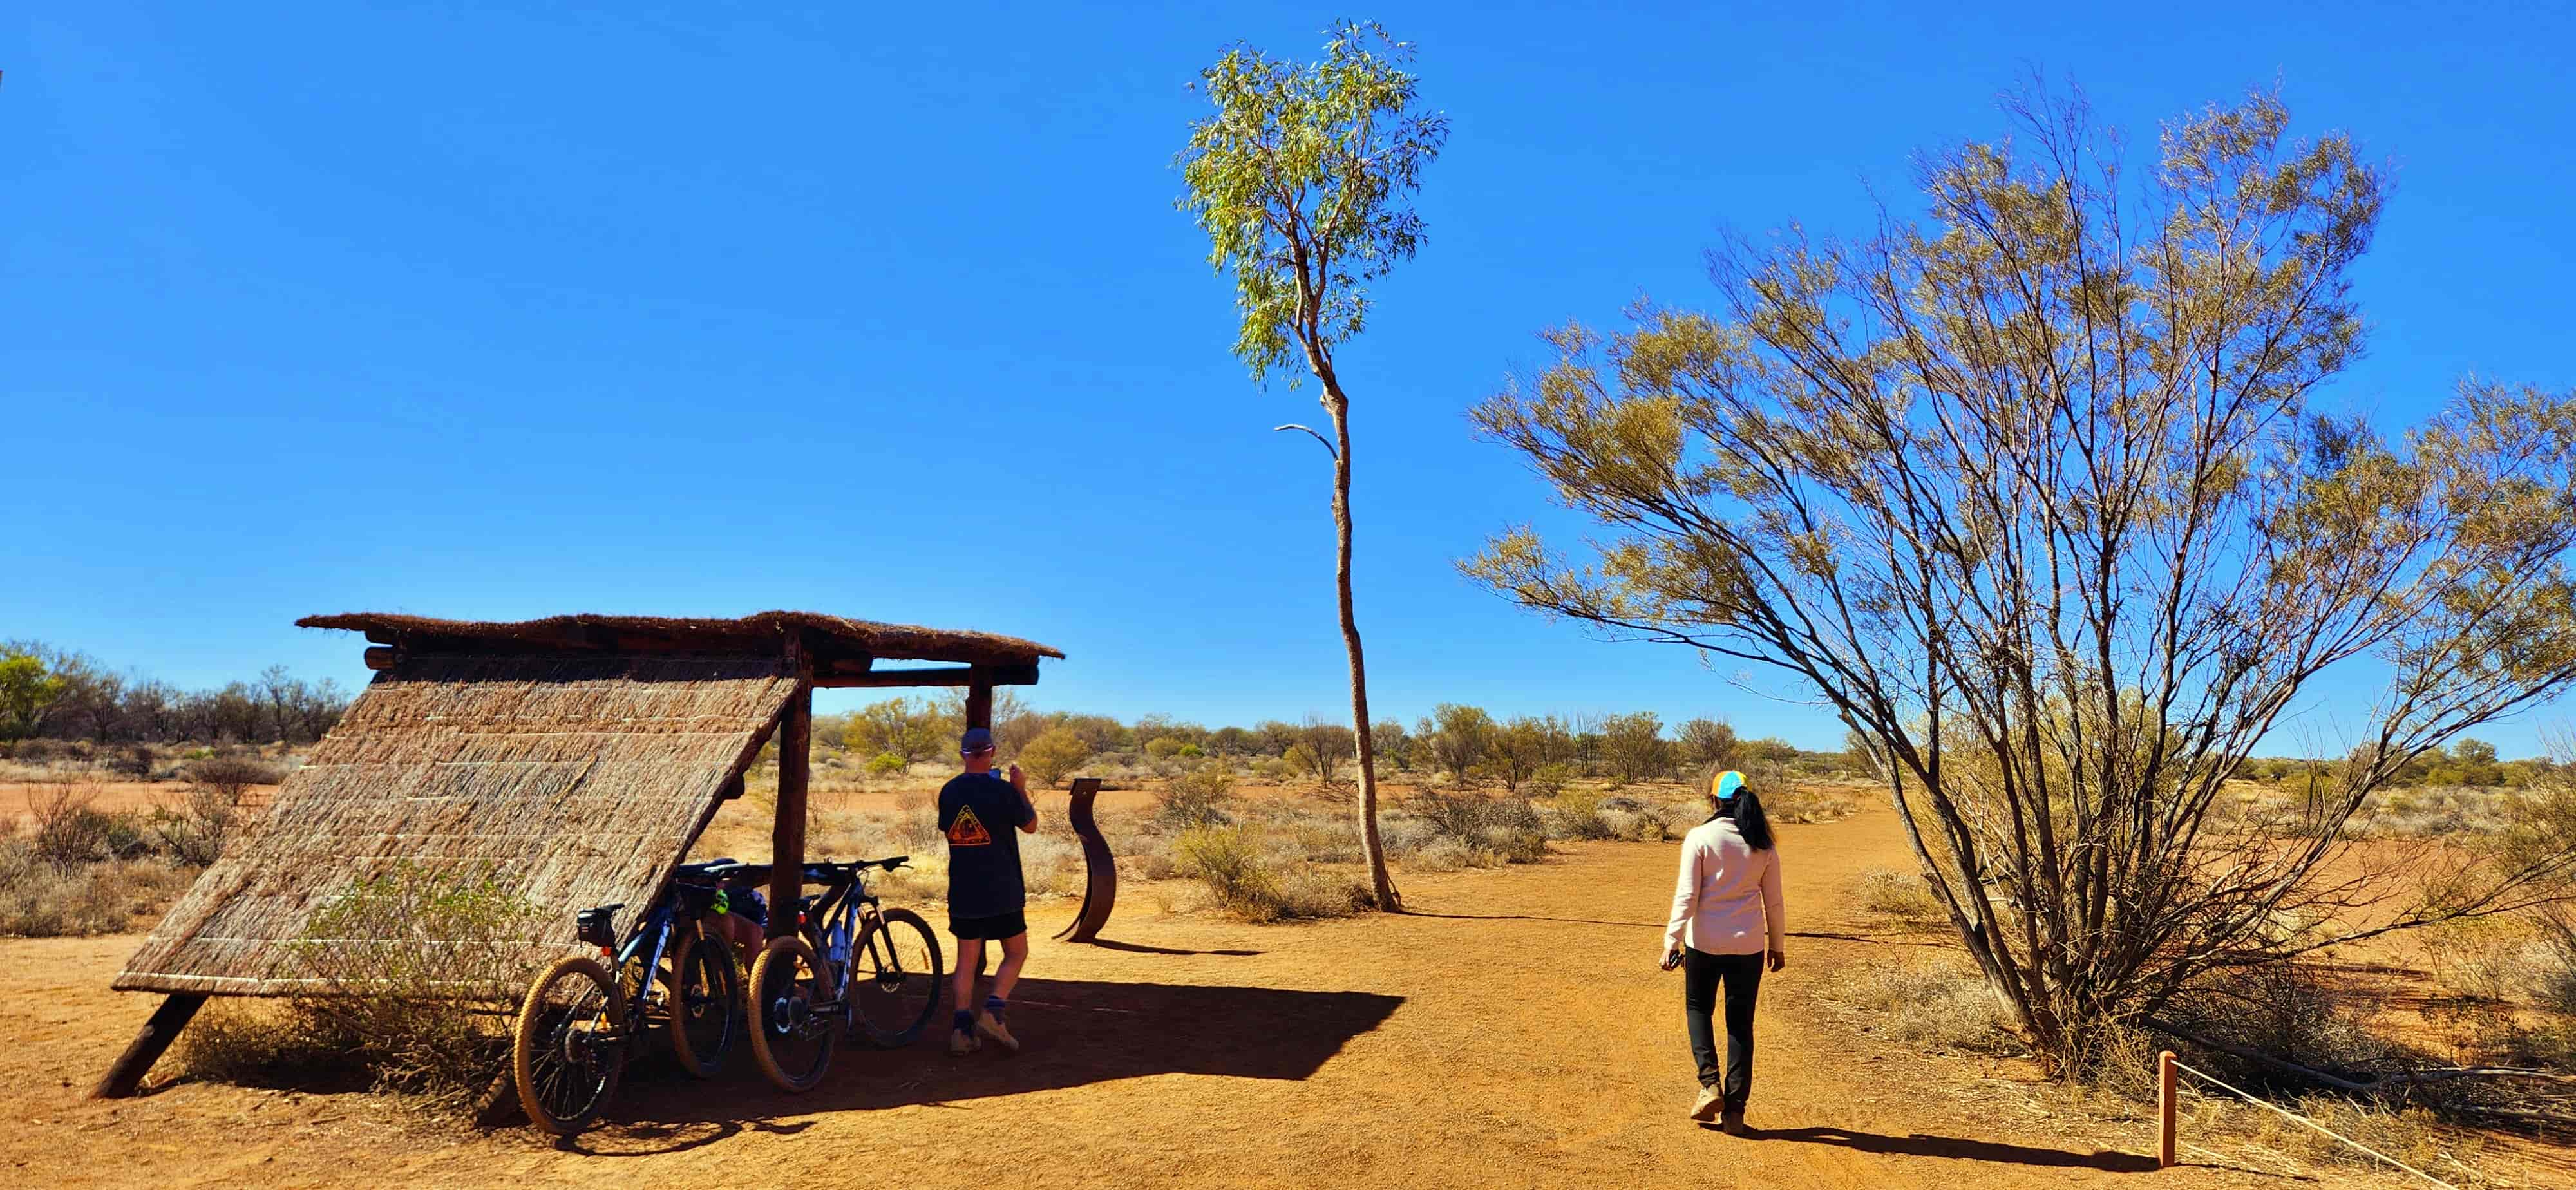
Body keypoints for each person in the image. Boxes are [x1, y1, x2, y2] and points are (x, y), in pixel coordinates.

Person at [1661, 768, 1785, 1135]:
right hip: (1748, 946)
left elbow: (1687, 895)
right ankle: (1735, 1112)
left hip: (1705, 943)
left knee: (1698, 1008)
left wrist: (1672, 939)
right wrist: (1777, 945)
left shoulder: (1700, 837)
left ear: (1714, 800)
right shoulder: (1763, 843)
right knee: (1741, 1026)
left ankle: (1709, 1084)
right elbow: (1774, 903)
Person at [938, 725, 1039, 1056]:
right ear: (992, 752)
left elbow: (951, 831)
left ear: (963, 755)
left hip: (965, 889)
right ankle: (994, 1012)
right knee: (1016, 952)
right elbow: (1030, 825)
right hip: (1002, 888)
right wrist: (1020, 790)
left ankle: (960, 1031)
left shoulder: (949, 791)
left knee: (966, 962)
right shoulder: (1004, 792)